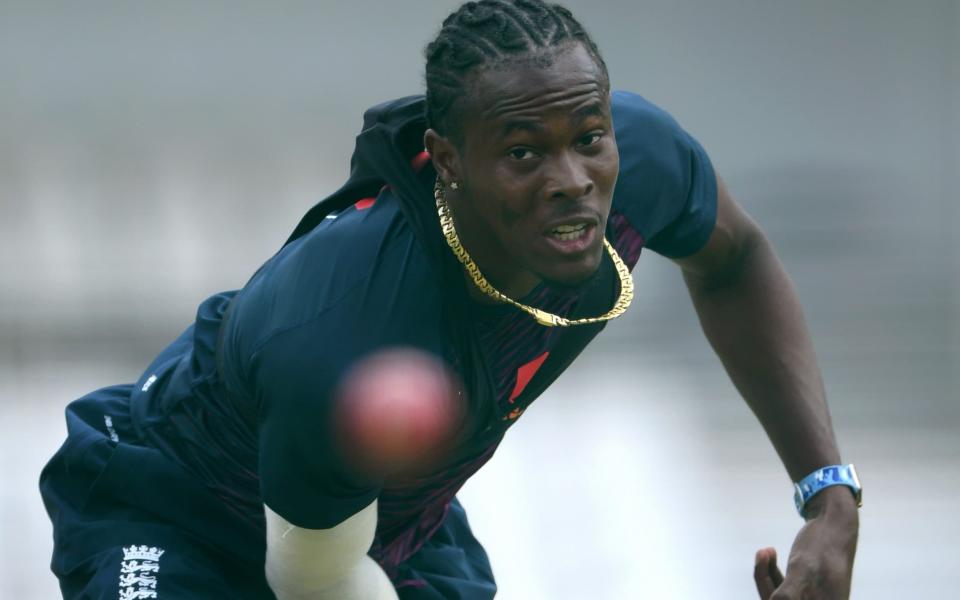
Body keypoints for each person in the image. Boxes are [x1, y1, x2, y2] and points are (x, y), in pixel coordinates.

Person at [39, 1, 860, 598]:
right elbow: (312, 580)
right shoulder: (348, 331)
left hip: (382, 517)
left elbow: (734, 259)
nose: (572, 182)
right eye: (523, 152)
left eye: (588, 139)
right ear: (448, 158)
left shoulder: (640, 161)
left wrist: (826, 495)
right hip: (181, 513)